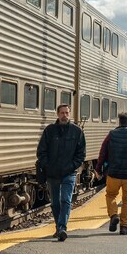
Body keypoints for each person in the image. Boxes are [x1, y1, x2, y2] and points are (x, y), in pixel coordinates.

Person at [36, 104, 86, 242]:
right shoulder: (49, 131)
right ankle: (59, 228)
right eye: (62, 113)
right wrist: (47, 165)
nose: (65, 115)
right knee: (55, 203)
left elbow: (81, 154)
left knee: (66, 200)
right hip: (52, 173)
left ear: (69, 114)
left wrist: (72, 166)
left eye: (67, 113)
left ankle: (62, 227)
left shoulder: (77, 131)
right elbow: (41, 151)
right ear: (57, 114)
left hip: (69, 172)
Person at [95, 112, 127, 235]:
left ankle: (113, 216)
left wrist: (98, 169)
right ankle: (124, 227)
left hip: (114, 172)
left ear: (119, 122)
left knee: (111, 195)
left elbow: (102, 153)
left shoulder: (111, 135)